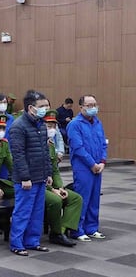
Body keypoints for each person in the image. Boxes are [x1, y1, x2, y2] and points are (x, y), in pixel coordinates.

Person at [7, 89, 52, 256]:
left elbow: (45, 152)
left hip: (40, 176)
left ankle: (32, 241)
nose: (45, 109)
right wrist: (25, 177)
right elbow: (18, 155)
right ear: (31, 107)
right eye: (42, 106)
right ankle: (16, 243)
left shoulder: (41, 124)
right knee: (23, 211)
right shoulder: (18, 127)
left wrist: (48, 173)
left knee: (37, 212)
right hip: (26, 179)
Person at [67, 94, 107, 242]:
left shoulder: (97, 123)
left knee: (94, 199)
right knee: (82, 199)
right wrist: (92, 164)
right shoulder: (75, 124)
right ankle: (77, 229)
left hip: (97, 166)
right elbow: (78, 148)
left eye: (94, 104)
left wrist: (102, 161)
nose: (93, 108)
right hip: (83, 167)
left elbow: (103, 143)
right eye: (89, 105)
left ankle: (92, 228)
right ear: (81, 107)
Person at [43, 110, 82, 247]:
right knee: (56, 200)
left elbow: (55, 170)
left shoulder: (51, 145)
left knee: (76, 198)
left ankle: (61, 231)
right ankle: (56, 232)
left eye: (54, 126)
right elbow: (34, 172)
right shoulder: (36, 145)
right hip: (38, 186)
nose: (52, 129)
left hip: (52, 185)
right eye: (48, 126)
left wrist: (59, 187)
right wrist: (51, 190)